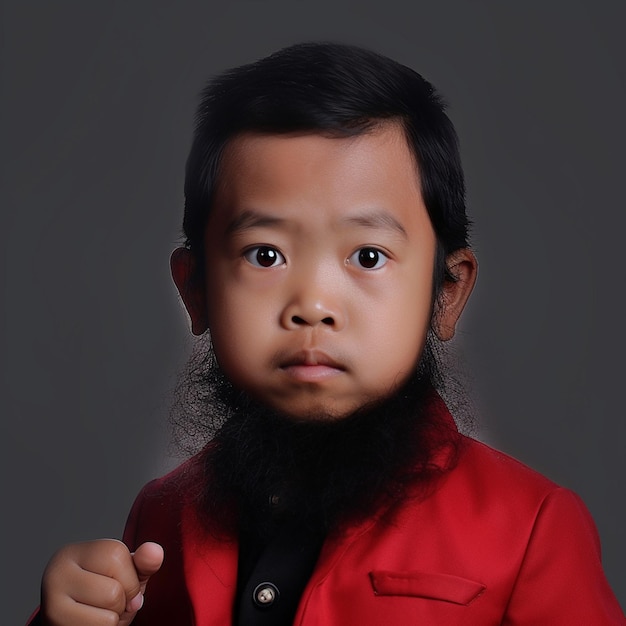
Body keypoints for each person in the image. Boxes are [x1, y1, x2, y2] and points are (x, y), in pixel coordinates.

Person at [29, 42, 624, 625]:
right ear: (196, 290)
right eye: (264, 254)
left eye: (367, 256)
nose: (312, 305)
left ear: (446, 293)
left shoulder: (532, 526)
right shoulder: (160, 516)